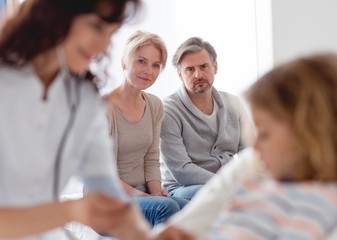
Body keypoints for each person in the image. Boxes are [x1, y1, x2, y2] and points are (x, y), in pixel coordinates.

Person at [0, 0, 193, 239]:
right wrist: (70, 210)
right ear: (53, 13)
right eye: (96, 27)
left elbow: (106, 190)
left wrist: (146, 235)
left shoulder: (82, 98)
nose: (103, 46)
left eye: (111, 33)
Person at [155, 52, 337, 239]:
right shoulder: (253, 168)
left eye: (264, 133)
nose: (255, 147)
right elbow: (178, 231)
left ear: (307, 133)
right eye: (190, 69)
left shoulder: (329, 197)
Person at [103, 30, 188, 226]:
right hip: (108, 197)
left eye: (156, 65)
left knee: (190, 208)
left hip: (142, 192)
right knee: (165, 207)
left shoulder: (154, 105)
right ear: (124, 63)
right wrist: (143, 195)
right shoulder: (103, 109)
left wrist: (156, 191)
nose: (148, 71)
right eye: (141, 61)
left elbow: (151, 157)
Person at [160, 37, 254, 200]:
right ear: (180, 74)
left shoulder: (233, 103)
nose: (198, 75)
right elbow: (182, 171)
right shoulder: (168, 110)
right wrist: (229, 183)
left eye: (204, 66)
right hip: (184, 188)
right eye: (190, 69)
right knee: (230, 195)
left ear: (215, 66)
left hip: (228, 185)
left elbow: (250, 151)